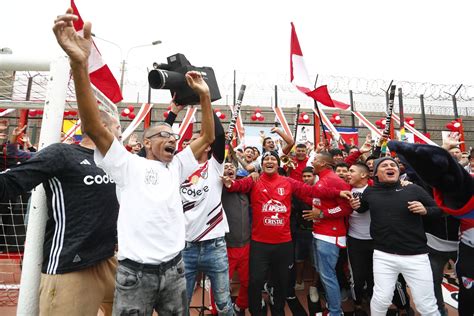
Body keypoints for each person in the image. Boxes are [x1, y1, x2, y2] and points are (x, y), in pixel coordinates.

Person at [53, 9, 215, 315]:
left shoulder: (178, 167)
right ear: (147, 142)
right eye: (163, 134)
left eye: (173, 134)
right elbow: (94, 129)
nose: (172, 138)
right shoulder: (127, 166)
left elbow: (207, 138)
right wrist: (79, 64)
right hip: (134, 274)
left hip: (175, 270)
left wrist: (204, 96)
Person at [0, 111, 120, 316]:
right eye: (118, 128)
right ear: (102, 127)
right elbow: (9, 184)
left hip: (108, 257)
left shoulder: (115, 160)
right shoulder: (62, 154)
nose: (120, 134)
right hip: (70, 263)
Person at [222, 151, 350, 316]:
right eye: (266, 159)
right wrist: (228, 183)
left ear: (278, 164)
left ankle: (277, 307)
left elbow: (312, 192)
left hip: (283, 244)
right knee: (255, 281)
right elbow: (236, 186)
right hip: (259, 244)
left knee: (281, 281)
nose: (269, 161)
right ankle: (256, 310)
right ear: (262, 164)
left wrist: (338, 193)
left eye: (273, 159)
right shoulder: (253, 180)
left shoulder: (288, 182)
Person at [389, 140, 473, 316]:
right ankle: (439, 312)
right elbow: (426, 166)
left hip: (460, 245)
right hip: (435, 244)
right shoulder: (419, 183)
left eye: (458, 153)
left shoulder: (465, 185)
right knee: (433, 283)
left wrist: (429, 210)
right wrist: (442, 148)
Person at [350, 156, 441, 316]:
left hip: (416, 257)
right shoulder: (370, 191)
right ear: (376, 174)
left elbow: (439, 210)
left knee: (426, 304)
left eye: (393, 165)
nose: (389, 167)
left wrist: (426, 210)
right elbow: (363, 208)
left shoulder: (413, 189)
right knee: (381, 299)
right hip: (383, 256)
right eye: (384, 165)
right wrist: (356, 206)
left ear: (398, 171)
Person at [179, 114, 233, 314]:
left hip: (214, 246)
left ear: (208, 146)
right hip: (185, 247)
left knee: (223, 303)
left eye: (198, 141)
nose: (192, 146)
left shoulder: (214, 165)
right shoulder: (178, 168)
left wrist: (206, 98)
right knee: (180, 305)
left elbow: (218, 135)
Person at [302, 152, 352, 316]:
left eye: (315, 159)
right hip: (320, 233)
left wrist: (323, 214)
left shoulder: (333, 180)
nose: (312, 161)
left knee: (328, 276)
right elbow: (318, 199)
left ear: (323, 163)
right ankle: (333, 309)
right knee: (325, 275)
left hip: (330, 237)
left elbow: (346, 208)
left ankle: (336, 312)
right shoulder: (323, 179)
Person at [221, 162, 251, 315]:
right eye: (225, 166)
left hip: (247, 245)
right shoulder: (218, 190)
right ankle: (220, 310)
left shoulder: (245, 188)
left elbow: (253, 176)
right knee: (221, 284)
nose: (229, 168)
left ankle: (240, 306)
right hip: (226, 246)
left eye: (232, 166)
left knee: (247, 282)